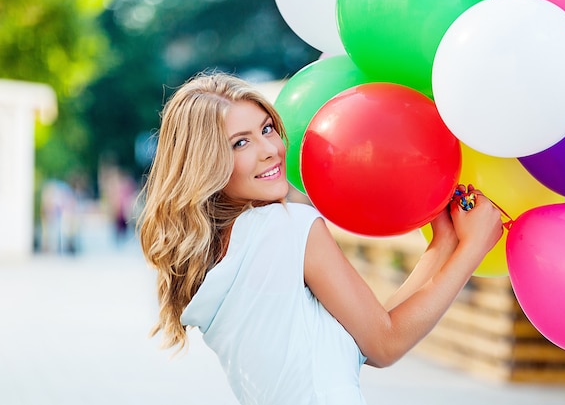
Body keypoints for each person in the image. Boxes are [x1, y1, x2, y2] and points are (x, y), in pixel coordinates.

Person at [138, 72, 503, 405]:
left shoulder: (219, 254)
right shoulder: (286, 227)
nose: (269, 150)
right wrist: (472, 248)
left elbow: (371, 336)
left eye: (267, 129)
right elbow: (385, 343)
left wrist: (443, 245)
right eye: (240, 143)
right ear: (206, 162)